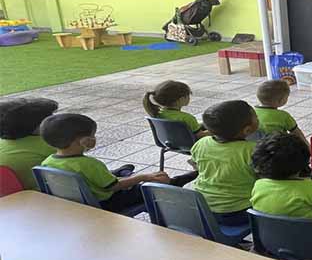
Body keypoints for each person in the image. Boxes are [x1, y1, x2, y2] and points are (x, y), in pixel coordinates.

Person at [39, 113, 196, 214]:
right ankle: (179, 180)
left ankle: (124, 172)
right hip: (109, 202)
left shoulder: (47, 162)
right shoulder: (89, 164)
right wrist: (144, 177)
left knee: (122, 175)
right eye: (93, 135)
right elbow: (114, 186)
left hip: (80, 202)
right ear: (85, 141)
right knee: (150, 185)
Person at [191, 100, 259, 226]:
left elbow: (196, 166)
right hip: (238, 212)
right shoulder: (252, 150)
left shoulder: (201, 143)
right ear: (247, 129)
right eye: (256, 117)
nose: (258, 118)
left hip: (202, 208)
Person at [0, 98, 59, 190]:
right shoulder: (49, 143)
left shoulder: (2, 142)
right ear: (37, 125)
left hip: (7, 195)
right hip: (39, 193)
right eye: (50, 119)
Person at [143, 80, 209, 139]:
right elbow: (200, 135)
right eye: (188, 95)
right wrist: (214, 129)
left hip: (170, 141)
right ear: (181, 99)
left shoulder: (157, 114)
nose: (189, 97)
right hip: (189, 144)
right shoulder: (187, 118)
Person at [254, 80, 308, 146]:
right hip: (278, 147)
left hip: (257, 148)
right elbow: (297, 133)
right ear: (280, 101)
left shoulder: (253, 112)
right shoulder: (284, 115)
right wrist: (308, 146)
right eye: (287, 97)